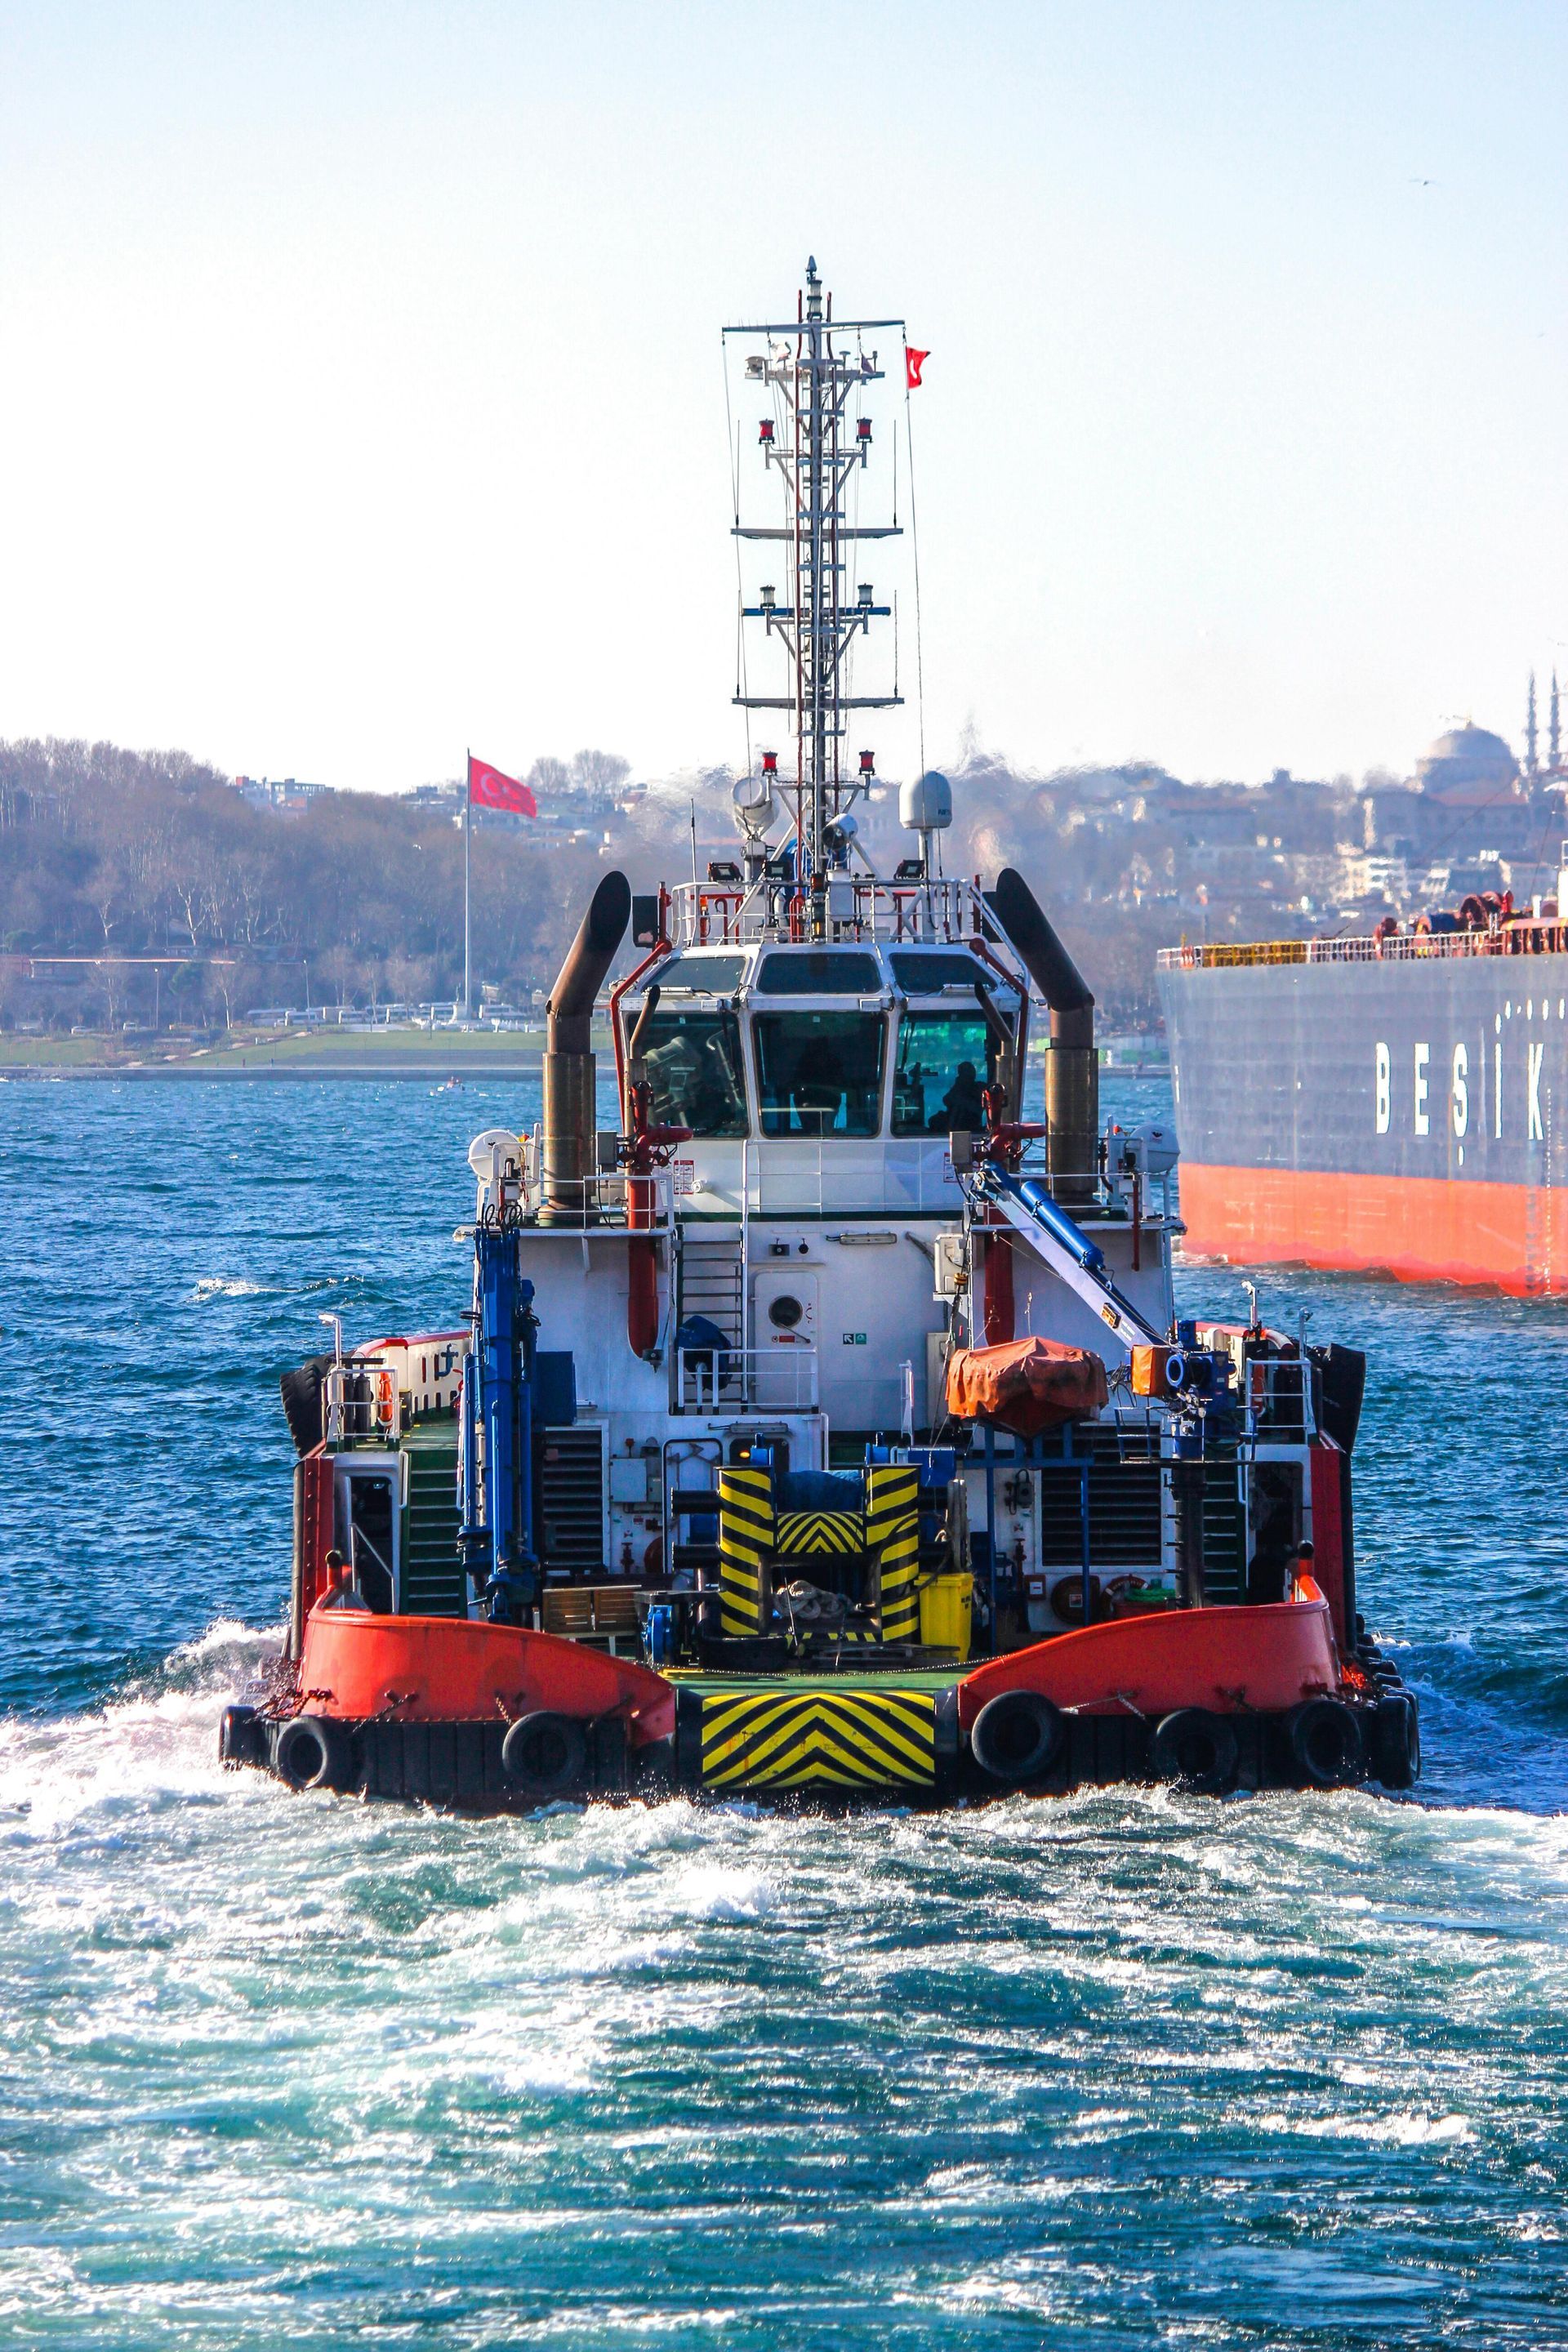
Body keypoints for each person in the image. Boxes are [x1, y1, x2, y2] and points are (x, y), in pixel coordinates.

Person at [940, 1058, 987, 1134]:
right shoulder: (957, 1089)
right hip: (954, 1128)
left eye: (968, 1073)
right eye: (963, 1073)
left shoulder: (979, 1088)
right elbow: (947, 1099)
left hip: (972, 1127)